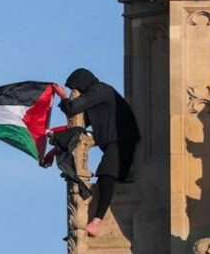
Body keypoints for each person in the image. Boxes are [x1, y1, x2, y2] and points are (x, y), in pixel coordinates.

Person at [44, 68, 140, 237]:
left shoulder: (100, 90)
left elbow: (73, 108)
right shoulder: (96, 99)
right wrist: (54, 148)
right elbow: (78, 130)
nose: (77, 92)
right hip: (114, 143)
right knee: (107, 177)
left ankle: (95, 223)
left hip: (121, 141)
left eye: (77, 88)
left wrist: (63, 96)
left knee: (106, 178)